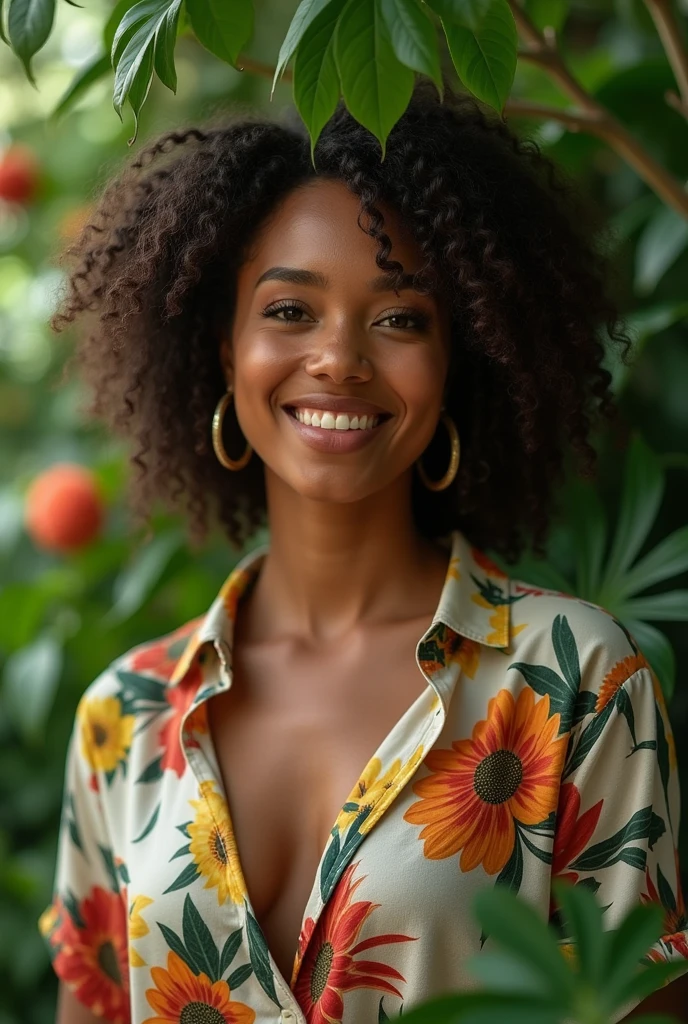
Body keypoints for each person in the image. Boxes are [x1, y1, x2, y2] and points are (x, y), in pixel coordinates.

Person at [39, 80, 688, 1024]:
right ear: (226, 350)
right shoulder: (124, 722)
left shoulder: (577, 681)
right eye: (290, 311)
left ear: (457, 357)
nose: (340, 358)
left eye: (399, 319)